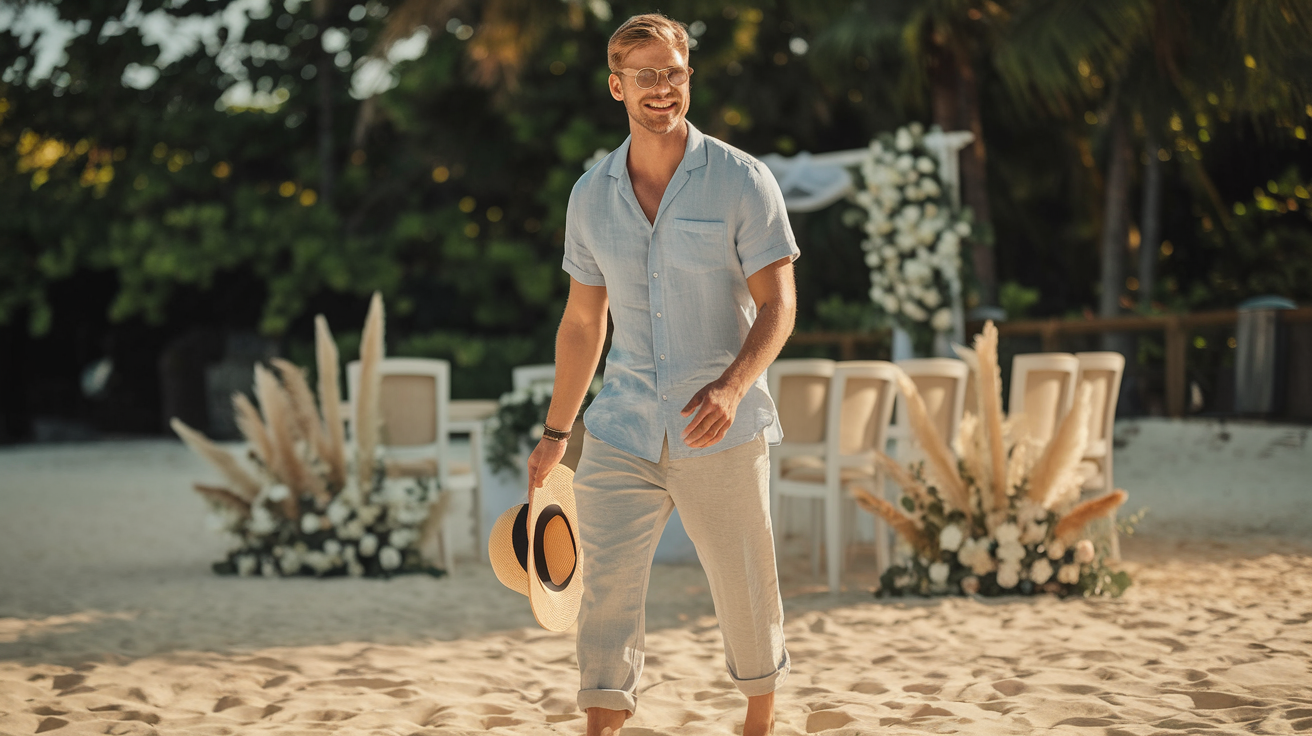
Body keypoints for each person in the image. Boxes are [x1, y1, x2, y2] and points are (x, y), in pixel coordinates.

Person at [524, 13, 799, 736]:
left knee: (744, 585)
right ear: (616, 87)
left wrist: (735, 385)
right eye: (645, 75)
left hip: (721, 428)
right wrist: (558, 431)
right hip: (623, 427)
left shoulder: (742, 180)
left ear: (688, 78)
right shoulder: (590, 196)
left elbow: (779, 306)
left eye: (673, 72)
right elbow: (585, 324)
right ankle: (602, 725)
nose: (662, 87)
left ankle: (759, 722)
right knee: (606, 590)